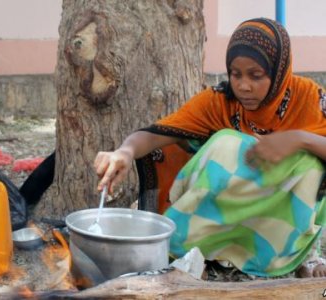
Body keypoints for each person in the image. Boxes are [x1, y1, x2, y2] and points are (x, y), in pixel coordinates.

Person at [94, 18, 326, 278]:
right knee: (226, 143)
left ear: (279, 71)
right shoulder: (220, 102)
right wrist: (123, 152)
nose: (243, 86)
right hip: (227, 208)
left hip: (275, 223)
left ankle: (298, 256)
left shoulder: (309, 100)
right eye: (235, 74)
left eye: (256, 75)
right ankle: (195, 250)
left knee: (313, 163)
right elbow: (155, 134)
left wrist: (300, 139)